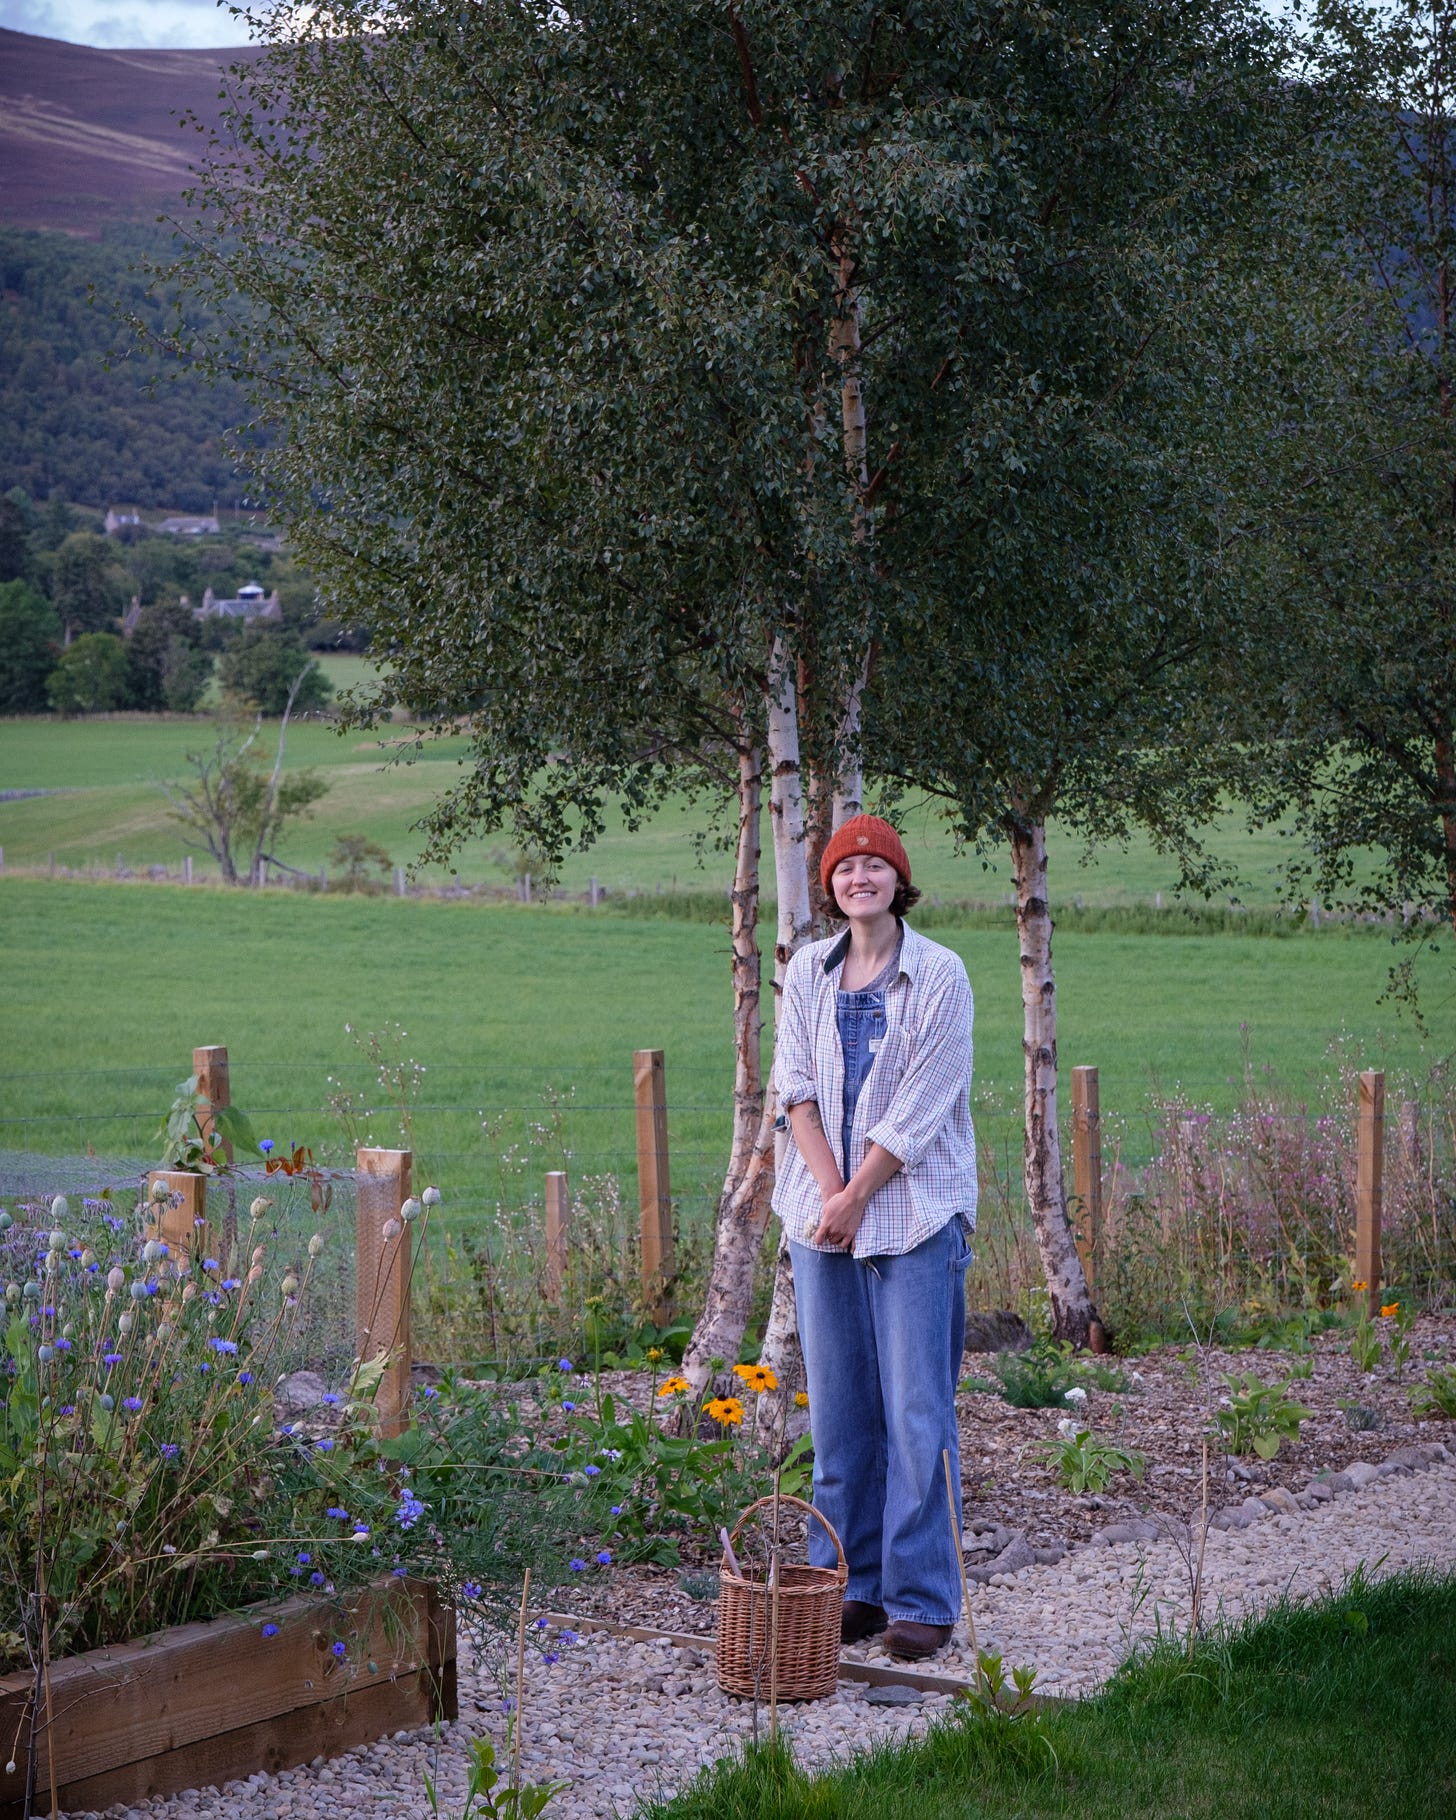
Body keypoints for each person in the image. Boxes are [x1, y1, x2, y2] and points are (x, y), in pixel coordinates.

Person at [771, 814, 976, 1661]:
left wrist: (859, 1195)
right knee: (840, 1416)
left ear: (898, 881)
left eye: (875, 865)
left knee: (917, 1416)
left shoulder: (940, 974)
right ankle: (849, 1589)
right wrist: (833, 1196)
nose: (860, 877)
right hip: (823, 1220)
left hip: (913, 1216)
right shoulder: (806, 974)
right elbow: (794, 1088)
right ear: (830, 886)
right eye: (845, 867)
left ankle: (921, 1600)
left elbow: (924, 1104)